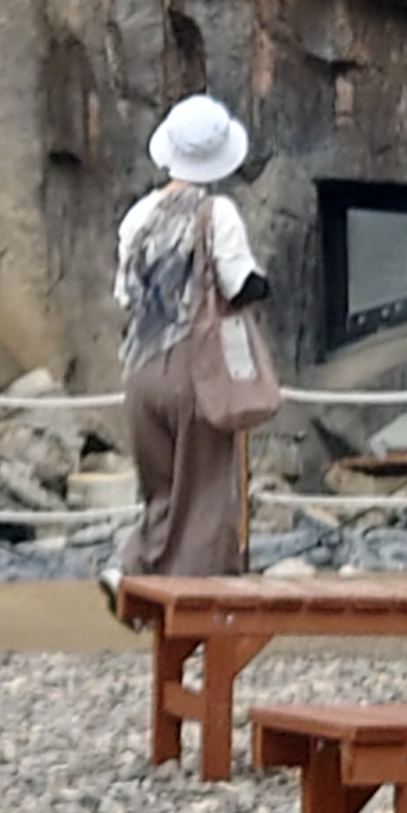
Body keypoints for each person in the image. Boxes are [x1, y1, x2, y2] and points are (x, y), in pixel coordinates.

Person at [111, 92, 269, 596]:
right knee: (203, 493)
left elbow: (123, 294)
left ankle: (132, 572)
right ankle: (201, 609)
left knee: (160, 490)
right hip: (193, 370)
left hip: (139, 369)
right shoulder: (216, 213)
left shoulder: (138, 217)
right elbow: (240, 282)